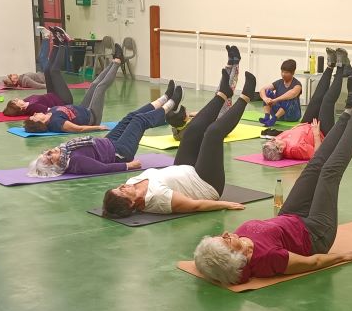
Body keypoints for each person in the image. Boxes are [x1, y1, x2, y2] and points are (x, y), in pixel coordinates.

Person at [191, 73, 352, 285]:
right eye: (224, 241)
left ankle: (348, 111)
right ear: (234, 257)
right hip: (315, 234)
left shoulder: (238, 241)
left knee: (314, 165)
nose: (226, 233)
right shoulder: (267, 259)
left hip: (291, 217)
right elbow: (312, 262)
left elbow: (204, 263)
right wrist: (340, 257)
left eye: (220, 236)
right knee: (328, 174)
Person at [101, 70, 260, 217]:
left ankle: (223, 94)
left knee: (191, 131)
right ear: (131, 204)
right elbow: (194, 205)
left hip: (184, 171)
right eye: (121, 191)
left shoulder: (131, 183)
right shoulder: (158, 199)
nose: (122, 186)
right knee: (212, 134)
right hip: (204, 184)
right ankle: (246, 97)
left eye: (118, 188)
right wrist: (224, 204)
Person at [27, 82, 183, 177]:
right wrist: (127, 166)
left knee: (130, 117)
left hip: (108, 143)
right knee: (139, 121)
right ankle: (170, 105)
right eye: (49, 156)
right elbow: (102, 168)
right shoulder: (75, 162)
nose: (50, 151)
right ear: (55, 165)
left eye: (46, 152)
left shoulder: (65, 151)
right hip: (120, 153)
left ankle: (163, 99)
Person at [262, 47, 351, 161]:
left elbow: (289, 134)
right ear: (280, 149)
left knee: (316, 99)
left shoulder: (279, 141)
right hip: (321, 132)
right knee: (327, 101)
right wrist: (316, 133)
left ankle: (330, 65)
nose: (274, 139)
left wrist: (296, 128)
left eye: (272, 140)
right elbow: (316, 154)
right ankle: (341, 66)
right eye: (274, 142)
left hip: (306, 125)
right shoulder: (295, 149)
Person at [22, 43, 126, 134]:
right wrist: (98, 127)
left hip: (83, 108)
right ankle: (117, 62)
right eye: (34, 117)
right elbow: (78, 129)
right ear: (40, 122)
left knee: (94, 85)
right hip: (92, 117)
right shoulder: (56, 123)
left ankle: (114, 61)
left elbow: (34, 105)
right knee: (100, 88)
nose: (34, 114)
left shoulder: (48, 113)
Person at [2, 28, 75, 117]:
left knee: (47, 70)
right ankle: (64, 43)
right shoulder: (32, 108)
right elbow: (51, 111)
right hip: (63, 101)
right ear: (20, 108)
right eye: (15, 101)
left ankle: (56, 42)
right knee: (54, 71)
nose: (17, 98)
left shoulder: (25, 101)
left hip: (53, 95)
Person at [1, 26, 74, 89]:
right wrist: (50, 86)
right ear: (14, 81)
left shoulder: (22, 78)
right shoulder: (24, 80)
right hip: (47, 77)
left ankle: (52, 39)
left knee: (40, 57)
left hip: (43, 74)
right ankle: (50, 38)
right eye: (11, 76)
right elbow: (37, 85)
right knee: (42, 58)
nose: (13, 74)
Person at [258, 58, 303, 127]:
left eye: (286, 72)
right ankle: (267, 118)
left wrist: (276, 100)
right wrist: (265, 98)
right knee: (267, 92)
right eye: (282, 72)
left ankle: (273, 120)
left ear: (293, 73)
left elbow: (293, 93)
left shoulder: (297, 84)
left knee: (289, 97)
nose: (283, 74)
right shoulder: (279, 82)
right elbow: (262, 89)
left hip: (291, 116)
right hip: (279, 114)